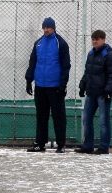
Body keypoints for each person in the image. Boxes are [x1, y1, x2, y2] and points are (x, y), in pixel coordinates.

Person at [25, 17, 71, 153]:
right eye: (44, 27)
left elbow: (66, 65)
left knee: (58, 116)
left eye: (48, 27)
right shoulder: (38, 43)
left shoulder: (60, 43)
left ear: (54, 28)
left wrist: (63, 85)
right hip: (40, 86)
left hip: (55, 86)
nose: (46, 30)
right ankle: (40, 143)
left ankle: (61, 144)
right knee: (41, 115)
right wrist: (29, 80)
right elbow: (32, 62)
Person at [75, 30, 112, 155]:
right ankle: (88, 145)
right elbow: (87, 72)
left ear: (103, 39)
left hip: (103, 94)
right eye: (93, 39)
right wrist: (83, 86)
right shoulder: (91, 54)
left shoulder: (109, 55)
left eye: (97, 39)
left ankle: (104, 147)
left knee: (103, 121)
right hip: (91, 93)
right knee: (86, 119)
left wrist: (108, 91)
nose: (94, 41)